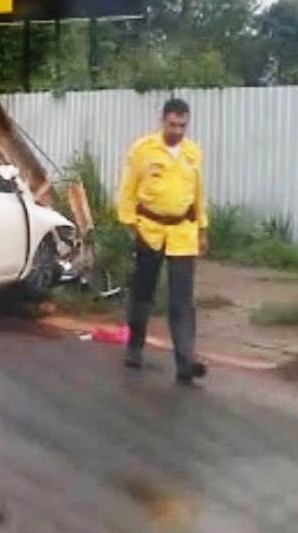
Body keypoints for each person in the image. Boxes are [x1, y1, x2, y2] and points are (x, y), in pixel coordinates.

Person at [116, 97, 209, 386]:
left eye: (182, 126)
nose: (178, 131)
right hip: (150, 229)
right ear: (163, 121)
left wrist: (202, 228)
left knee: (182, 300)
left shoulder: (193, 153)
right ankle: (135, 344)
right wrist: (131, 226)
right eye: (173, 125)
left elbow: (197, 194)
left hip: (183, 231)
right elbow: (127, 190)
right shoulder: (143, 150)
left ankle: (186, 361)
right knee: (143, 292)